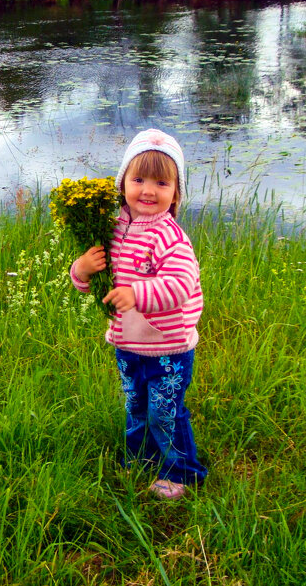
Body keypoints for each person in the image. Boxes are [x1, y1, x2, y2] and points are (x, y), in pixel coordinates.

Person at [70, 128, 207, 500]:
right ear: (122, 184)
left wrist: (137, 293)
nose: (148, 190)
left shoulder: (171, 237)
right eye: (139, 179)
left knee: (166, 411)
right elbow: (98, 285)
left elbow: (180, 285)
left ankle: (181, 473)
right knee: (136, 405)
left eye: (161, 183)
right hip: (127, 343)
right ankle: (139, 460)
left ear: (176, 192)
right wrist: (81, 270)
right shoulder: (113, 229)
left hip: (168, 346)